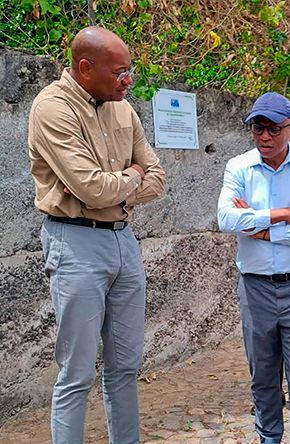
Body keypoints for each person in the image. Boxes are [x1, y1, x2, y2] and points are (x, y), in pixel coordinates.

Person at [27, 26, 166, 443]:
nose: (128, 81)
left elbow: (157, 178)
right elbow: (91, 188)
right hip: (75, 243)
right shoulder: (52, 108)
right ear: (85, 69)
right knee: (77, 371)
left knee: (125, 365)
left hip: (124, 240)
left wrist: (118, 181)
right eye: (119, 72)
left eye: (130, 71)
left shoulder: (123, 109)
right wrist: (126, 178)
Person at [217, 92, 290, 444]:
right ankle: (269, 438)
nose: (265, 136)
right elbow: (225, 218)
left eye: (273, 129)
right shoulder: (239, 166)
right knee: (263, 374)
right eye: (258, 128)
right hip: (255, 288)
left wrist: (261, 230)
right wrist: (282, 215)